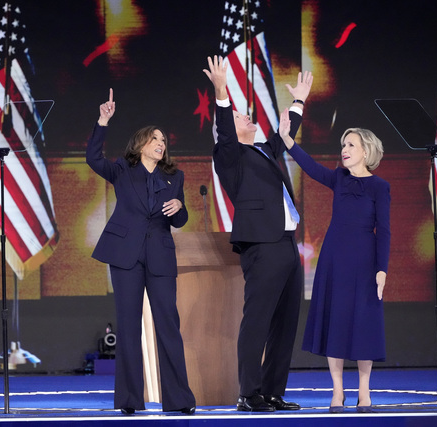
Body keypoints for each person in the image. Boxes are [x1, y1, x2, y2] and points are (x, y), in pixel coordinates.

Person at [203, 55, 312, 412]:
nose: (246, 116)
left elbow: (284, 135)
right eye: (239, 117)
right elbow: (224, 127)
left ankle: (272, 391)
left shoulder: (264, 151)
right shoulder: (229, 156)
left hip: (287, 243)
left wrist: (298, 101)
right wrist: (222, 92)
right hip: (262, 246)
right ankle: (248, 394)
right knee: (258, 320)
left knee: (285, 323)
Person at [86, 88, 196, 415]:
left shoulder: (175, 177)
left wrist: (179, 208)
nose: (161, 144)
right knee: (129, 326)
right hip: (125, 256)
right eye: (154, 139)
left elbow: (180, 219)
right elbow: (93, 158)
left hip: (160, 255)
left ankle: (179, 400)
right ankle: (129, 400)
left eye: (163, 140)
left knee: (168, 325)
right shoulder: (122, 169)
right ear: (140, 144)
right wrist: (102, 122)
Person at [279, 116, 390, 413]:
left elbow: (384, 230)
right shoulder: (339, 178)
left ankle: (364, 391)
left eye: (350, 144)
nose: (344, 149)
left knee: (364, 323)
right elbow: (311, 166)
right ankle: (338, 391)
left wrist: (382, 269)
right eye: (343, 144)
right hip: (334, 259)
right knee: (336, 321)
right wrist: (287, 140)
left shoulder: (380, 187)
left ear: (365, 151)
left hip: (365, 261)